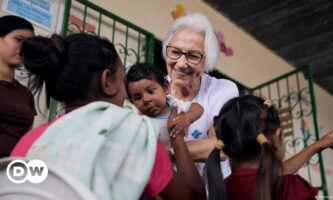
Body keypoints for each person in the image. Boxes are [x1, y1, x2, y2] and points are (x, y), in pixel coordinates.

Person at [11, 33, 205, 199]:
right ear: (107, 82)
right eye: (123, 83)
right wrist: (177, 135)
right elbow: (193, 197)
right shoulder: (132, 135)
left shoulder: (29, 143)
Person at [206, 95, 333, 200]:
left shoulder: (218, 190)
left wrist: (317, 146)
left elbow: (270, 174)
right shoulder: (289, 187)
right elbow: (273, 176)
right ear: (275, 136)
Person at [162, 12, 238, 177]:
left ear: (207, 61)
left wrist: (162, 153)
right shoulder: (154, 89)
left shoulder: (222, 89)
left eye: (193, 56)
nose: (181, 64)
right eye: (175, 52)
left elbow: (220, 146)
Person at [125, 63, 203, 148]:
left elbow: (198, 108)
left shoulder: (174, 104)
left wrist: (187, 118)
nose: (146, 100)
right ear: (132, 102)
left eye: (150, 91)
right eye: (138, 98)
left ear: (165, 87)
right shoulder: (139, 120)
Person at [0, 15, 35, 158]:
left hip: (13, 170)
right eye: (18, 40)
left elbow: (28, 139)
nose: (23, 48)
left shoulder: (26, 94)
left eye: (29, 44)